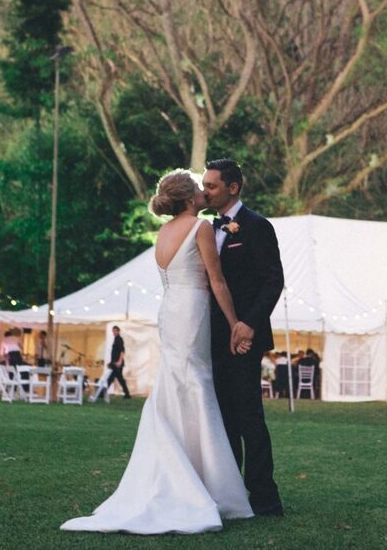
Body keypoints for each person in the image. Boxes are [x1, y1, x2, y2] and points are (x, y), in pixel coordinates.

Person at [62, 169, 253, 534]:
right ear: (187, 198)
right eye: (198, 188)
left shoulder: (163, 233)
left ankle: (187, 472)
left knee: (177, 383)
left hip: (170, 310)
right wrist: (234, 323)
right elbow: (216, 281)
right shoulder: (198, 228)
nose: (203, 192)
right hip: (193, 309)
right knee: (195, 383)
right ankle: (206, 485)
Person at [202, 157, 286, 517]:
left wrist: (249, 323)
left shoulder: (257, 226)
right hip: (212, 337)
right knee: (223, 417)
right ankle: (231, 492)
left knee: (249, 415)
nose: (205, 191)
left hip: (245, 337)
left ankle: (265, 496)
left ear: (232, 188)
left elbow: (273, 280)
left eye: (211, 186)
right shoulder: (206, 228)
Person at [103, 326, 131, 399]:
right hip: (114, 363)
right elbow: (115, 353)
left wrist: (119, 361)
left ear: (118, 331)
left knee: (116, 379)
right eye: (113, 331)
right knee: (114, 379)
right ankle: (127, 394)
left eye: (115, 331)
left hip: (117, 364)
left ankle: (127, 394)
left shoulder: (119, 339)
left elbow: (122, 351)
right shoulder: (115, 339)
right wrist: (111, 362)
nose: (114, 332)